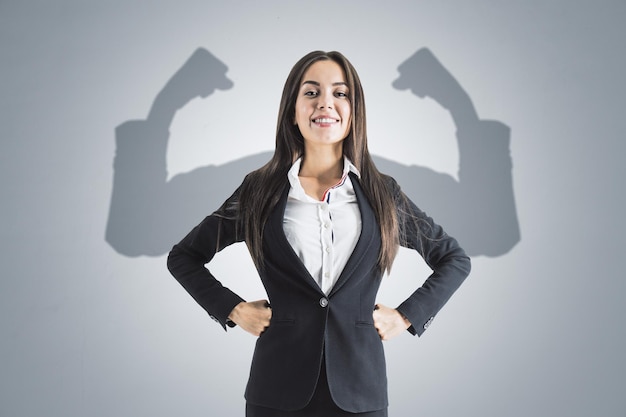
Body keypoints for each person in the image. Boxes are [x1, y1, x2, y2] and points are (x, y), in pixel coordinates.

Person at [167, 50, 471, 417]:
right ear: (293, 111)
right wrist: (232, 309)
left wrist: (406, 316)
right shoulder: (258, 190)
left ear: (353, 111)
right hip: (276, 391)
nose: (325, 103)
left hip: (361, 392)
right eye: (311, 93)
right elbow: (183, 257)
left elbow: (454, 258)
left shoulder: (382, 193)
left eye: (340, 93)